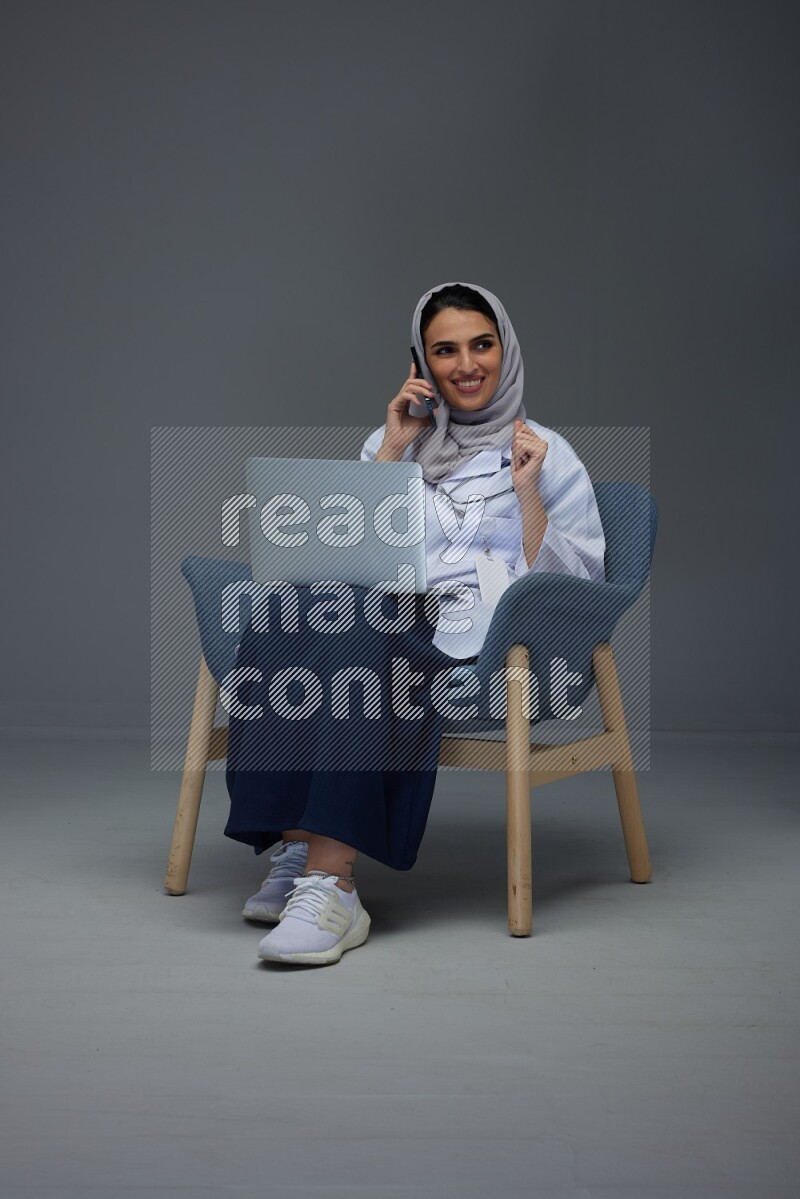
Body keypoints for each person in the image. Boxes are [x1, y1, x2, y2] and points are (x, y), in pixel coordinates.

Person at [226, 282, 605, 966]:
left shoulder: (547, 452)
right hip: (390, 620)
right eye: (445, 350)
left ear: (505, 349)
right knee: (286, 606)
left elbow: (570, 587)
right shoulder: (392, 439)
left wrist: (525, 489)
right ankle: (297, 844)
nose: (466, 364)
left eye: (481, 344)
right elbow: (333, 555)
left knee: (355, 631)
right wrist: (396, 447)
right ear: (421, 362)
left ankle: (331, 883)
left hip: (485, 644)